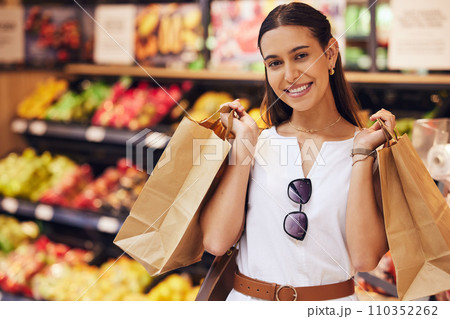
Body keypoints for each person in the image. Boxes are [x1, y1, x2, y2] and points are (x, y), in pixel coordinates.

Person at [199, 2, 395, 301]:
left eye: (301, 56)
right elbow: (215, 241)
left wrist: (361, 155)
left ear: (330, 53)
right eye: (275, 63)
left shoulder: (369, 148)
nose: (290, 74)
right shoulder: (254, 143)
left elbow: (365, 258)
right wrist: (245, 145)